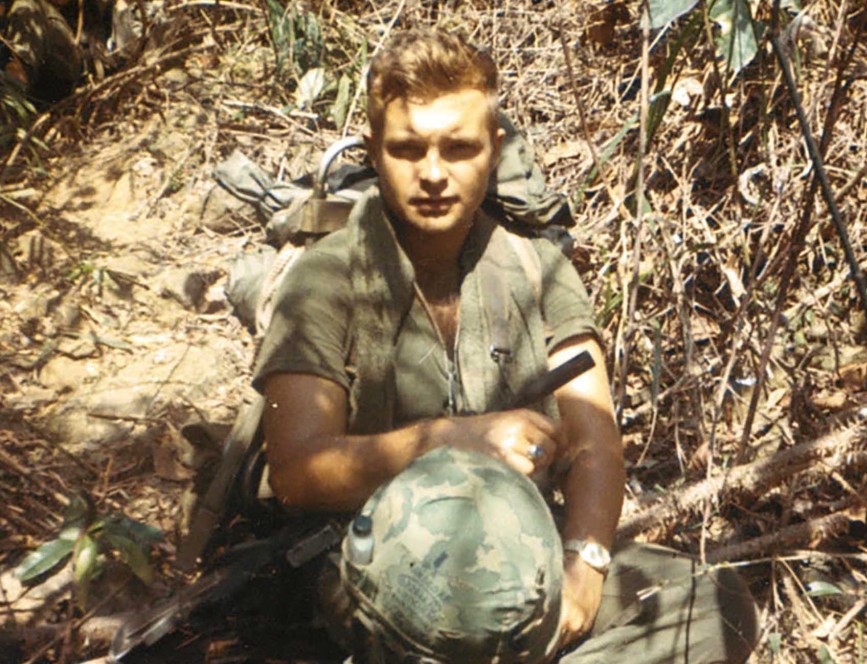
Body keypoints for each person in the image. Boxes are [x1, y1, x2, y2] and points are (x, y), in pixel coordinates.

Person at [253, 28, 758, 663]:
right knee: (462, 614)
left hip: (518, 556)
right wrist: (451, 439)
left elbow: (594, 439)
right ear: (374, 153)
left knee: (713, 607)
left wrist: (585, 563)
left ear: (492, 151)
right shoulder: (327, 278)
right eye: (408, 149)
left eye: (458, 148)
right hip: (378, 570)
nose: (433, 174)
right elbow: (298, 473)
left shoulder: (535, 267)